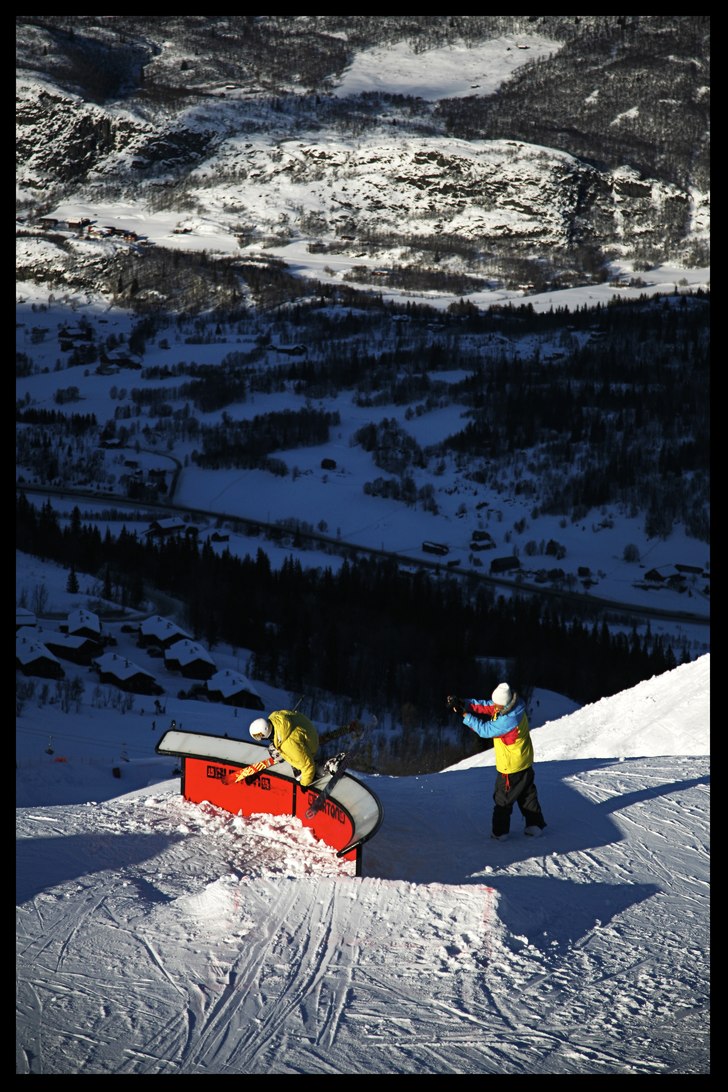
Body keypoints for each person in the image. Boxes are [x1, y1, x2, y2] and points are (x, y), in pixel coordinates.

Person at [447, 683, 547, 841]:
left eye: (497, 705)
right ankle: (535, 826)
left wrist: (464, 715)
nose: (495, 707)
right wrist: (464, 703)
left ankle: (500, 833)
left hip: (511, 768)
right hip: (524, 761)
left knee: (503, 800)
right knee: (527, 794)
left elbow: (485, 730)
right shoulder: (516, 705)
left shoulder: (509, 720)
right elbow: (488, 706)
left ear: (504, 704)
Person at [249, 710, 322, 788]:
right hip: (307, 730)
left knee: (280, 750)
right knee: (275, 747)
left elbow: (308, 765)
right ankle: (296, 753)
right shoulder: (275, 716)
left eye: (259, 736)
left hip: (311, 745)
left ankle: (298, 767)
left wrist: (304, 784)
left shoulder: (288, 745)